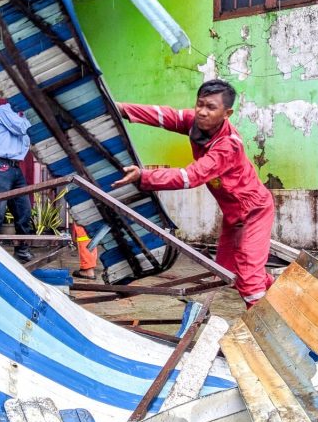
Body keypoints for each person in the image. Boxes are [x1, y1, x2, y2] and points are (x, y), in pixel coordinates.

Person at [113, 79, 275, 307]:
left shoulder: (228, 146)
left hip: (254, 211)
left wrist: (145, 176)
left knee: (249, 280)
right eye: (200, 104)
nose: (202, 112)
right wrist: (121, 109)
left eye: (211, 107)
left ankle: (268, 332)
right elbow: (164, 116)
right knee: (227, 272)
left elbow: (191, 177)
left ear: (227, 113)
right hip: (233, 214)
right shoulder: (196, 123)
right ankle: (278, 290)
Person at [0, 103, 34, 263]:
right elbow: (23, 129)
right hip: (0, 165)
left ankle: (22, 251)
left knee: (24, 210)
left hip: (14, 167)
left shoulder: (23, 117)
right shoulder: (4, 110)